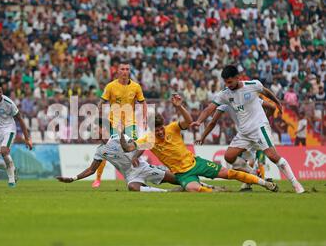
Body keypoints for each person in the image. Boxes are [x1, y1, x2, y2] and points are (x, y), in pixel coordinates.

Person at [119, 94, 278, 193]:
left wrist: (179, 107)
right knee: (193, 189)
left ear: (163, 125)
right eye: (156, 130)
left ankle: (265, 183)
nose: (160, 132)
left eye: (161, 129)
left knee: (229, 174)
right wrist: (121, 133)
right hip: (182, 174)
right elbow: (128, 148)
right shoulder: (148, 139)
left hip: (195, 163)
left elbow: (189, 121)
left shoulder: (173, 127)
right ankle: (213, 190)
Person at [192, 65, 305, 194]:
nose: (228, 85)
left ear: (237, 78)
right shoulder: (225, 94)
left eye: (230, 82)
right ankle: (253, 174)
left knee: (273, 157)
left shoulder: (252, 85)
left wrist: (277, 102)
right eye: (225, 82)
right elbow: (209, 109)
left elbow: (266, 92)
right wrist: (199, 121)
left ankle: (296, 184)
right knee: (229, 156)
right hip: (244, 132)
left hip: (258, 129)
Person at [56, 118, 223, 192]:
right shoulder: (100, 150)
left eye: (96, 128)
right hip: (131, 175)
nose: (93, 131)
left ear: (104, 129)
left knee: (178, 178)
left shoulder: (118, 138)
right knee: (133, 188)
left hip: (143, 167)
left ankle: (207, 187)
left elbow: (135, 145)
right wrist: (72, 179)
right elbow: (91, 170)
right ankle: (168, 193)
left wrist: (126, 142)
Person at [195, 97, 276, 192]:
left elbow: (213, 121)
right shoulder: (238, 98)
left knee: (244, 161)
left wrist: (203, 136)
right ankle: (253, 180)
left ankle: (254, 181)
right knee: (244, 162)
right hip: (250, 134)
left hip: (251, 134)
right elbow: (270, 107)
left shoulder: (243, 97)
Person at [92, 60, 147, 188]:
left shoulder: (136, 87)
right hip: (113, 123)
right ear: (117, 71)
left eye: (127, 69)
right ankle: (98, 179)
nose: (125, 72)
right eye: (122, 69)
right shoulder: (111, 86)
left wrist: (144, 118)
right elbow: (101, 101)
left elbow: (143, 102)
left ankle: (138, 176)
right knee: (106, 150)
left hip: (130, 123)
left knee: (133, 149)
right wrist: (96, 116)